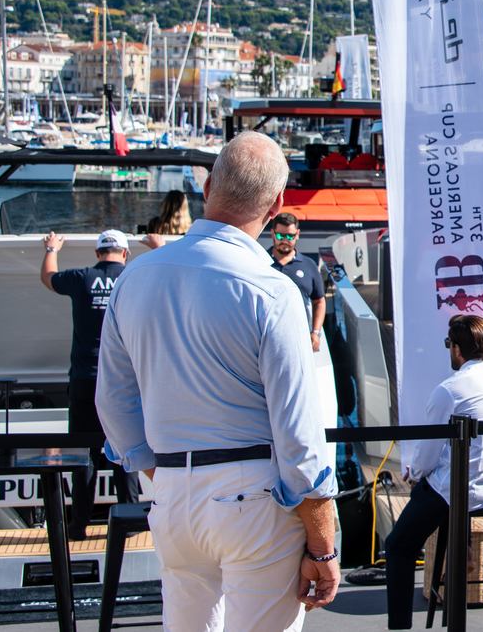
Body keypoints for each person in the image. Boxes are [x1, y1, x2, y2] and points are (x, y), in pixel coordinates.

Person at [96, 132, 339, 630]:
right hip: (253, 496)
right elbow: (298, 434)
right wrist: (323, 543)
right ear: (276, 205)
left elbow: (114, 405)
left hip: (172, 494)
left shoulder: (134, 279)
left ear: (207, 188)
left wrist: (160, 474)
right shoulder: (271, 291)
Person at [384, 315, 483, 629]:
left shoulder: (451, 390)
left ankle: (400, 625)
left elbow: (427, 456)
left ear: (456, 349)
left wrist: (414, 472)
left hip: (458, 491)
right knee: (448, 481)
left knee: (398, 546)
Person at [40, 229, 138, 540]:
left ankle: (78, 525)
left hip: (84, 378)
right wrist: (159, 246)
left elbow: (49, 277)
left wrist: (52, 249)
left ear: (97, 254)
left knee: (83, 454)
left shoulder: (82, 277)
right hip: (122, 380)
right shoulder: (132, 279)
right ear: (125, 253)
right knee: (126, 451)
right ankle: (131, 523)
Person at [269, 213, 326, 353]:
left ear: (298, 234)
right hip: (267, 339)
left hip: (300, 340)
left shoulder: (309, 265)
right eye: (280, 236)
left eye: (290, 236)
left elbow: (319, 301)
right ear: (272, 233)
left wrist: (316, 333)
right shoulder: (261, 263)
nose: (285, 240)